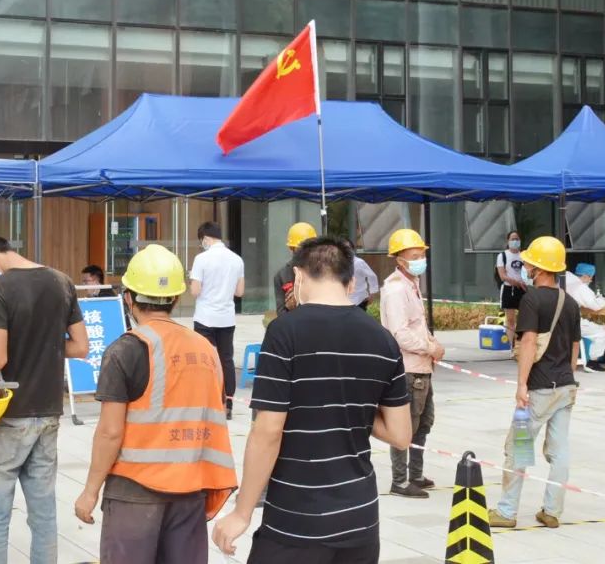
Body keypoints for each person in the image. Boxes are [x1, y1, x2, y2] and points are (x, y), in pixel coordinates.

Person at [213, 237, 413, 562]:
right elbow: (401, 435)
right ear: (351, 282)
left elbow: (268, 431)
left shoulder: (284, 332)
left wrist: (242, 512)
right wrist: (352, 403)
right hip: (360, 521)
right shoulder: (383, 340)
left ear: (298, 276)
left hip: (296, 521)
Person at [74, 244, 237, 563]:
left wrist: (90, 490)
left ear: (128, 298)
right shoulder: (206, 350)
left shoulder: (124, 351)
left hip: (135, 492)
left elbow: (109, 432)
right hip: (190, 490)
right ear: (175, 299)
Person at [0, 234, 88, 564]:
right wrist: (44, 346)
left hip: (10, 414)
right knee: (43, 514)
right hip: (48, 411)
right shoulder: (61, 281)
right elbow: (80, 346)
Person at [489, 236, 580, 530]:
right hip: (565, 386)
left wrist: (521, 385)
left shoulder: (531, 299)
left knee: (518, 447)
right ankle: (552, 511)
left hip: (539, 387)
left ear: (539, 269)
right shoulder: (570, 302)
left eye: (529, 263)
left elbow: (528, 343)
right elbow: (575, 347)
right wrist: (567, 376)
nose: (526, 267)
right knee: (560, 451)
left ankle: (506, 512)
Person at [380, 228, 445, 499]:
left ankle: (416, 474)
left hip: (422, 366)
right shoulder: (396, 290)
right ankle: (400, 480)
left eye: (422, 255)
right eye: (415, 256)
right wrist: (430, 348)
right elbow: (400, 333)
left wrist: (432, 344)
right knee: (405, 425)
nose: (420, 261)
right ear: (400, 260)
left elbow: (418, 325)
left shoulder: (412, 284)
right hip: (408, 369)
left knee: (424, 422)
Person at [189, 221, 244, 420]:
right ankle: (228, 404)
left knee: (204, 360)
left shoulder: (201, 259)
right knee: (226, 360)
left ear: (205, 238)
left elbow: (195, 291)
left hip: (205, 317)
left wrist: (193, 281)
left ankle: (207, 402)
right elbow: (239, 291)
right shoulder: (237, 260)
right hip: (226, 318)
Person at [565, 263, 605, 373]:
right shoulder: (580, 287)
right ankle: (592, 363)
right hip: (572, 323)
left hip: (557, 321)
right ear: (585, 276)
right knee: (602, 332)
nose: (591, 280)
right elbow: (595, 305)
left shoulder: (566, 278)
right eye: (590, 277)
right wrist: (602, 299)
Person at [272, 222, 317, 316]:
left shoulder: (324, 270)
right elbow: (281, 315)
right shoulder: (282, 276)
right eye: (301, 248)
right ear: (292, 248)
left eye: (309, 248)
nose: (305, 252)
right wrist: (289, 307)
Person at [496, 231, 528, 350]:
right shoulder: (502, 256)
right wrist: (516, 282)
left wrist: (525, 283)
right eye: (513, 239)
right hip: (509, 289)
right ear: (508, 241)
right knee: (510, 320)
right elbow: (502, 276)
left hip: (523, 289)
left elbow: (528, 272)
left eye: (517, 239)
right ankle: (512, 346)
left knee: (524, 318)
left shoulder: (524, 255)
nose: (515, 241)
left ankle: (522, 344)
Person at [348, 241, 379, 310]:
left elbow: (372, 276)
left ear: (352, 249)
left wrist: (372, 293)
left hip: (359, 300)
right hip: (343, 301)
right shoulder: (337, 264)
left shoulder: (359, 262)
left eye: (347, 248)